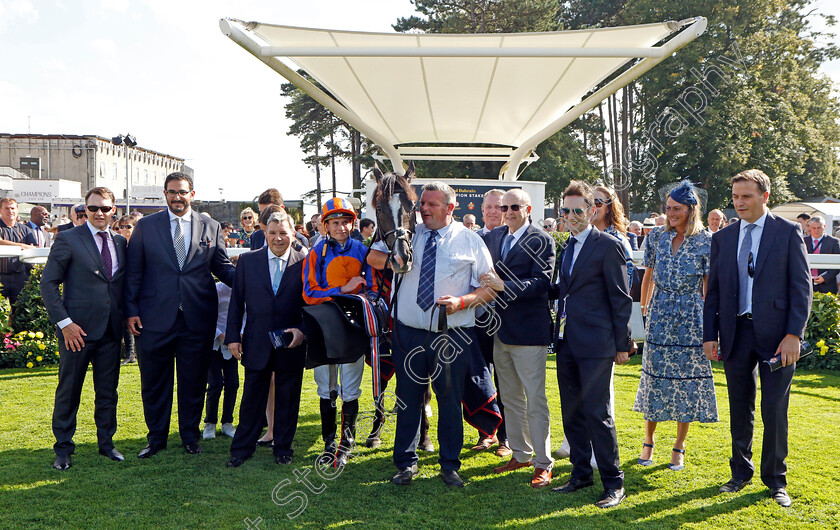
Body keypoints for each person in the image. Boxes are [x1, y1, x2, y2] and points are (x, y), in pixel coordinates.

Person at [370, 181, 495, 488]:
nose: (423, 209)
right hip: (407, 333)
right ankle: (406, 463)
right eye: (421, 203)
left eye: (431, 204)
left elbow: (491, 287)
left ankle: (450, 464)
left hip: (450, 337)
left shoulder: (470, 240)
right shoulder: (407, 234)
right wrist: (392, 260)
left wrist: (463, 302)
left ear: (450, 208)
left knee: (449, 401)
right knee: (408, 398)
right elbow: (371, 257)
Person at [703, 169, 811, 508]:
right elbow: (714, 292)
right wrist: (710, 335)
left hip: (779, 337)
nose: (739, 203)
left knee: (774, 409)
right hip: (735, 334)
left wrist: (794, 334)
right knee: (740, 407)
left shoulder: (788, 232)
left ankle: (776, 480)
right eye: (735, 196)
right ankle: (740, 473)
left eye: (746, 196)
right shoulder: (723, 237)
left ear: (765, 196)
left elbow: (801, 287)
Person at [125, 172, 235, 458]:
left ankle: (190, 436)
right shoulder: (146, 227)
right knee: (154, 382)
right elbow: (134, 272)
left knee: (194, 382)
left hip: (197, 319)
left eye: (182, 192)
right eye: (172, 192)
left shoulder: (210, 225)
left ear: (192, 194)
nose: (177, 197)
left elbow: (222, 267)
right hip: (153, 318)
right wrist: (132, 311)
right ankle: (156, 438)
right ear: (165, 194)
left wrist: (253, 280)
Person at [549, 181, 632, 509]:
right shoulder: (567, 246)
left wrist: (622, 342)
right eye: (566, 211)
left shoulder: (607, 245)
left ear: (593, 210)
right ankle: (580, 473)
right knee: (572, 411)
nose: (571, 216)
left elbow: (620, 297)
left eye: (577, 210)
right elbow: (563, 289)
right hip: (567, 341)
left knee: (598, 413)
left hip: (597, 343)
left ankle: (613, 483)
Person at [40, 187, 126, 470]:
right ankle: (63, 449)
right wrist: (65, 324)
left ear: (114, 210)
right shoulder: (68, 239)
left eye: (105, 208)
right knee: (69, 390)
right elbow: (48, 284)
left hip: (111, 332)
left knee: (107, 392)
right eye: (93, 208)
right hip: (75, 333)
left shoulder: (120, 242)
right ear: (84, 211)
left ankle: (106, 444)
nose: (99, 213)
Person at [634, 181, 718, 472]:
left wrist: (711, 328)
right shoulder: (656, 236)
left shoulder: (706, 241)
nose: (670, 213)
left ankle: (679, 446)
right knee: (655, 379)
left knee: (687, 383)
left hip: (692, 318)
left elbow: (709, 289)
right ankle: (648, 440)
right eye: (668, 208)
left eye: (676, 209)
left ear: (690, 210)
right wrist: (643, 312)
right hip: (659, 314)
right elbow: (648, 277)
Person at [480, 189, 555, 488]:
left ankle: (543, 463)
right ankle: (520, 454)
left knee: (535, 401)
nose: (508, 211)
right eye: (504, 207)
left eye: (514, 206)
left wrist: (502, 285)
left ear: (527, 208)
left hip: (530, 334)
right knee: (510, 399)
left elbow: (542, 282)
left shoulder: (542, 239)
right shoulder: (495, 236)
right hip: (500, 332)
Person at [225, 212, 307, 467]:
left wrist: (303, 331)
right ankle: (241, 449)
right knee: (251, 399)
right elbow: (236, 303)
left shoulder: (305, 262)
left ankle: (283, 448)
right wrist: (232, 338)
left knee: (288, 398)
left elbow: (310, 305)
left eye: (283, 233)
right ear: (265, 234)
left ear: (293, 234)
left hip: (290, 344)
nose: (278, 238)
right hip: (256, 342)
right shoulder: (248, 262)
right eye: (272, 233)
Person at [303, 198, 375, 467]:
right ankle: (329, 441)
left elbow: (371, 288)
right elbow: (309, 293)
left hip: (354, 326)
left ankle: (346, 443)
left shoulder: (362, 250)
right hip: (324, 326)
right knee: (326, 387)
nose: (341, 227)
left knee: (351, 387)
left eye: (346, 221)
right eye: (335, 222)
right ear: (325, 226)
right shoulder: (315, 252)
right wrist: (341, 291)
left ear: (352, 223)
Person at [472, 188, 510, 455]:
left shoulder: (512, 240)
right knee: (479, 376)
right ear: (482, 210)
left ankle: (506, 438)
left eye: (500, 206)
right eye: (490, 207)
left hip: (507, 319)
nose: (494, 211)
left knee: (505, 378)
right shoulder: (470, 239)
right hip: (476, 318)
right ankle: (485, 432)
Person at [203, 255, 241, 441]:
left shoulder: (245, 292)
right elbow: (208, 315)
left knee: (233, 383)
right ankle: (209, 422)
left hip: (232, 344)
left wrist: (238, 334)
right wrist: (220, 334)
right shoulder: (217, 290)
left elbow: (246, 316)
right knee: (215, 383)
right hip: (214, 342)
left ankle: (228, 422)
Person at [0, 198, 37, 306]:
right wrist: (21, 246)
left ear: (17, 210)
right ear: (0, 210)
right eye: (6, 208)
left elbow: (33, 247)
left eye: (13, 208)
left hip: (20, 277)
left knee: (20, 313)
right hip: (1, 276)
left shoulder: (25, 229)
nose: (10, 211)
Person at [804, 216, 839, 294]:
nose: (816, 230)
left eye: (819, 227)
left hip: (827, 285)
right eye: (814, 228)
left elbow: (837, 263)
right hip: (807, 283)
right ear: (809, 227)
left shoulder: (834, 242)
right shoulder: (803, 242)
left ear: (824, 227)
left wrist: (825, 278)